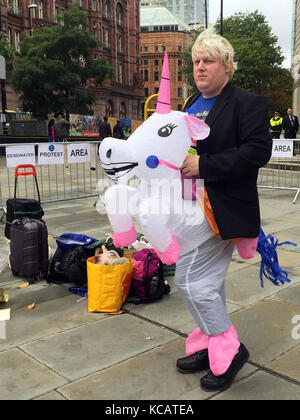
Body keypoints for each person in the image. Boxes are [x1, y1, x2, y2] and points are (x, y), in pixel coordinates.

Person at [177, 30, 272, 392]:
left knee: (190, 281)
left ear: (227, 67)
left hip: (222, 208)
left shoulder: (248, 103)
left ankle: (228, 347)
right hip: (188, 207)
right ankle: (209, 342)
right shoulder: (189, 106)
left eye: (209, 61)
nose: (200, 68)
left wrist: (205, 165)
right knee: (206, 283)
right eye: (197, 61)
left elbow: (256, 152)